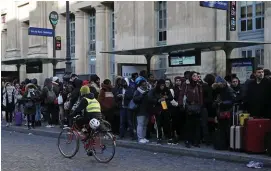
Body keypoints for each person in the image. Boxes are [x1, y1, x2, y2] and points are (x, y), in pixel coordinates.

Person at [178, 71, 203, 148]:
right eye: (194, 76)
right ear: (191, 77)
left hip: (197, 106)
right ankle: (187, 141)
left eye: (196, 76)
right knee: (189, 125)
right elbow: (181, 94)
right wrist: (181, 104)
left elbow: (201, 96)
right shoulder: (186, 84)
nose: (196, 77)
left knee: (196, 125)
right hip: (189, 106)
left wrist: (201, 105)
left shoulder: (199, 85)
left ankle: (195, 141)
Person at [148, 79, 173, 144]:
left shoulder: (166, 89)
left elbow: (171, 97)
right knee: (158, 124)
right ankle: (159, 137)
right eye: (161, 85)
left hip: (165, 108)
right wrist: (158, 100)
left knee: (167, 123)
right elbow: (150, 98)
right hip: (158, 109)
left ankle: (169, 136)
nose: (162, 87)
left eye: (163, 85)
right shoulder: (154, 90)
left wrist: (166, 97)